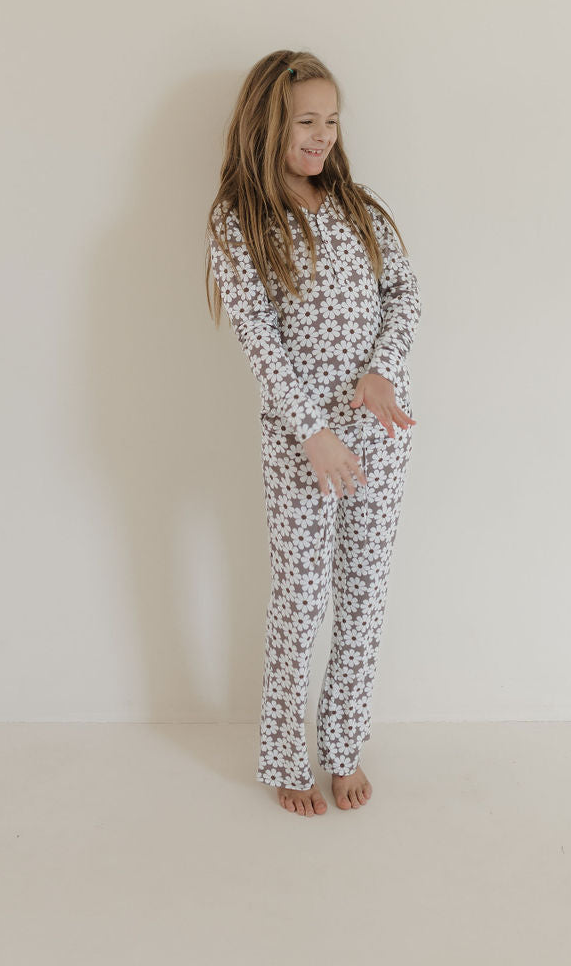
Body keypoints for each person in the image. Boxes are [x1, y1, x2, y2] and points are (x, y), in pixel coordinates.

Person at [205, 49, 422, 816]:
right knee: (301, 599)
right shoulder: (242, 222)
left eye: (331, 121)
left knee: (364, 596)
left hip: (378, 430)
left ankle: (343, 746)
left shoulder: (357, 207)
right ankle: (281, 752)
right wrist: (311, 432)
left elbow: (403, 292)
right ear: (269, 123)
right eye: (307, 121)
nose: (322, 135)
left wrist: (381, 372)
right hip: (303, 447)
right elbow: (260, 342)